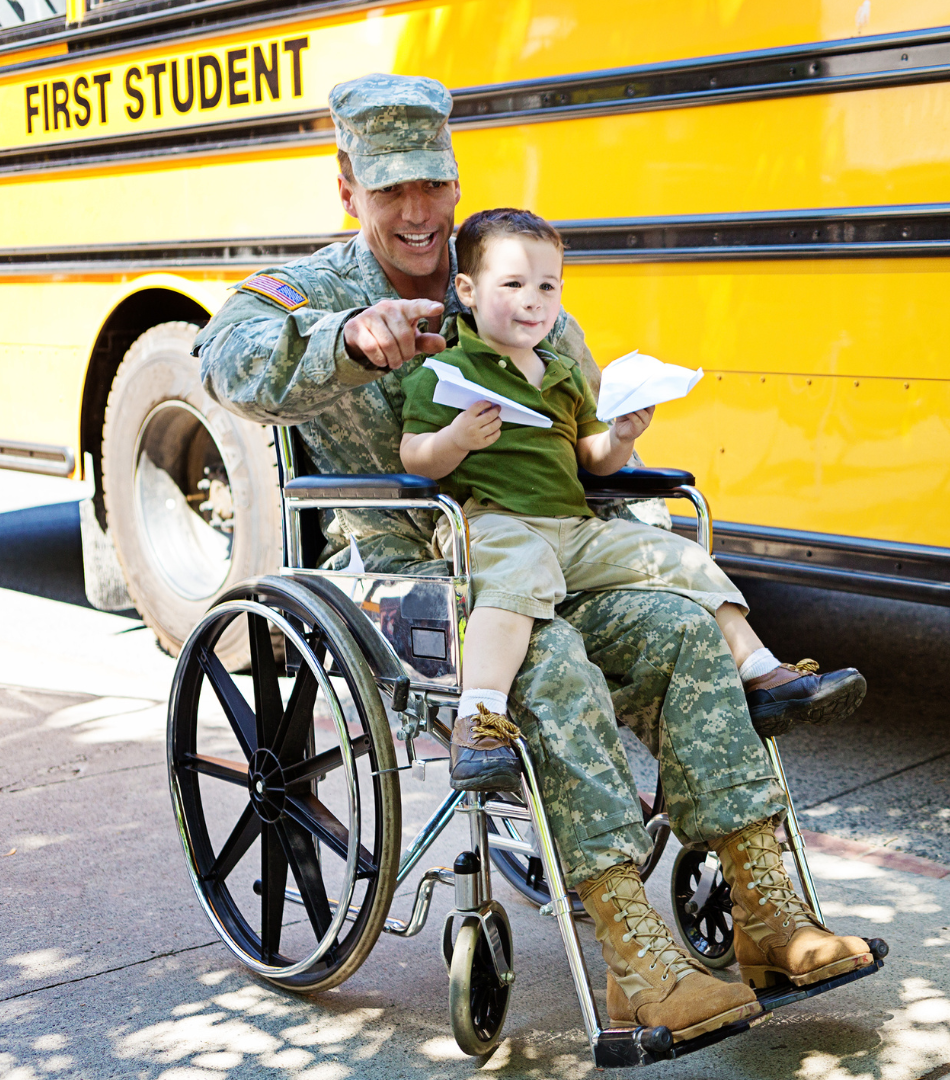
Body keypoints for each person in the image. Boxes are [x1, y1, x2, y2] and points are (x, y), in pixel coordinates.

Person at [194, 72, 874, 1043]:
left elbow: (578, 446)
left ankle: (770, 917)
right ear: (348, 188)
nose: (420, 212)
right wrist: (347, 340)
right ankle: (637, 961)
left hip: (547, 552)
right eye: (393, 192)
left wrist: (613, 437)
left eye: (434, 185)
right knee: (545, 669)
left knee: (681, 627)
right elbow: (229, 364)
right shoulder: (309, 293)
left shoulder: (505, 279)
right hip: (411, 576)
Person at [399, 206, 863, 793]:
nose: (533, 300)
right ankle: (479, 719)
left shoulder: (561, 372)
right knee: (518, 570)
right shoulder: (447, 368)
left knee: (679, 555)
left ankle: (762, 673)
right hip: (494, 522)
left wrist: (620, 437)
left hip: (572, 527)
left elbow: (591, 460)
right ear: (466, 290)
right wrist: (455, 439)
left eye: (547, 285)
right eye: (512, 284)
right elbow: (415, 455)